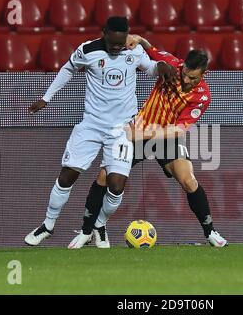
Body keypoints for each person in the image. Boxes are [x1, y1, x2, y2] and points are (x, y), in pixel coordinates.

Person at [24, 18, 177, 246]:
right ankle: (48, 225)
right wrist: (46, 98)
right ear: (104, 33)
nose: (117, 48)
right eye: (113, 43)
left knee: (116, 186)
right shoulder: (88, 50)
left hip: (122, 129)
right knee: (68, 175)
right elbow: (68, 69)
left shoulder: (133, 51)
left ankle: (99, 224)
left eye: (121, 43)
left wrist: (161, 67)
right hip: (92, 125)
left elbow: (150, 67)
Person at [68, 34, 228, 249]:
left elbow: (178, 129)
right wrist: (139, 39)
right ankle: (89, 230)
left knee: (188, 180)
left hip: (161, 136)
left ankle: (210, 232)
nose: (187, 81)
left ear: (204, 74)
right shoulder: (172, 65)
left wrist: (144, 134)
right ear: (183, 67)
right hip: (140, 129)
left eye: (193, 79)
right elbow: (151, 49)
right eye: (186, 75)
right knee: (104, 177)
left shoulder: (202, 97)